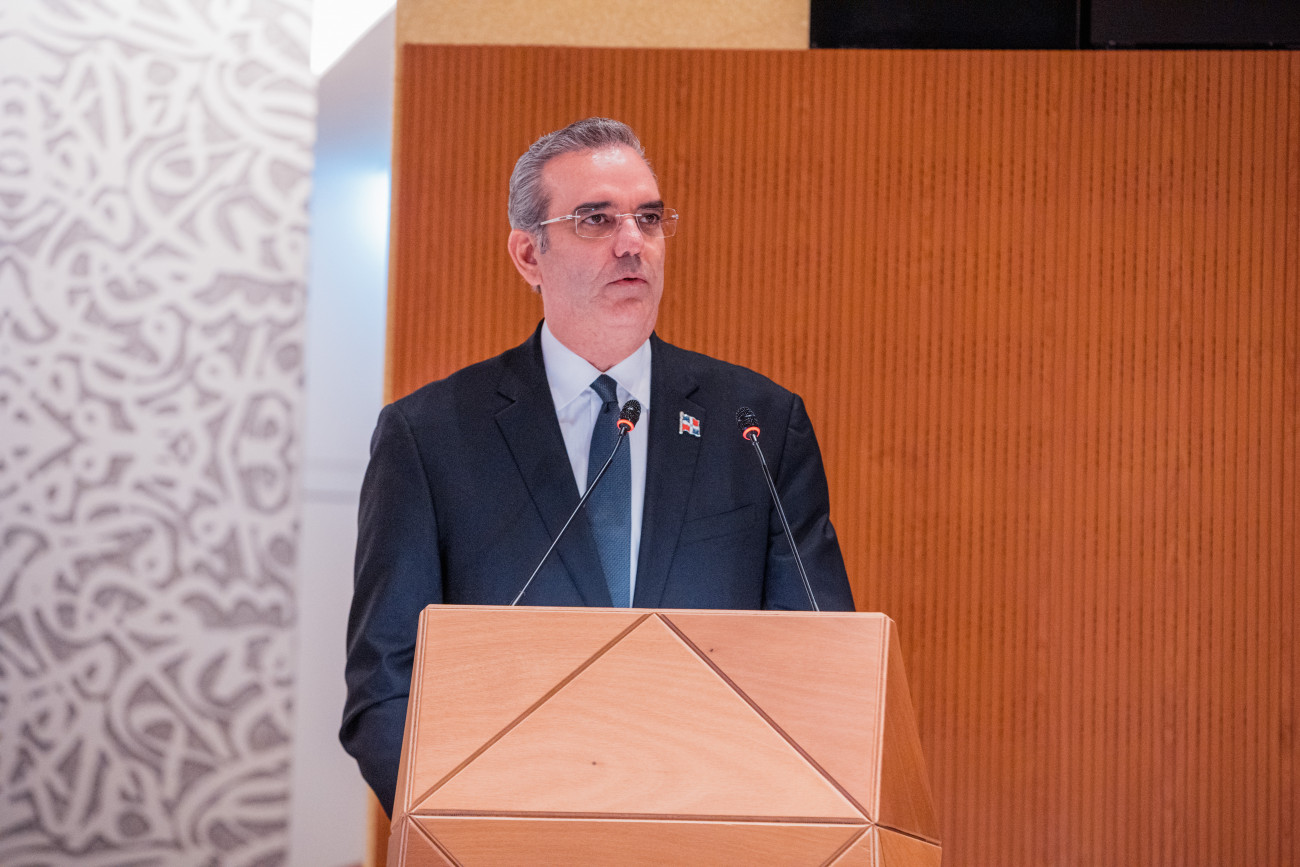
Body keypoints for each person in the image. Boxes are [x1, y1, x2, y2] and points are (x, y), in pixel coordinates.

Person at [340, 117, 855, 816]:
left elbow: (821, 664)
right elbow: (386, 686)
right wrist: (477, 831)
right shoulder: (431, 436)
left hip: (711, 831)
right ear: (529, 255)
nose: (632, 242)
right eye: (596, 219)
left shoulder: (756, 425)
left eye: (650, 218)